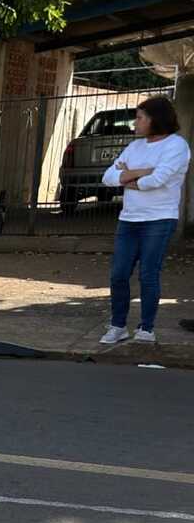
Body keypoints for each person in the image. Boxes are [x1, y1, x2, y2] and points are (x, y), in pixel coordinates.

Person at [99, 95, 190, 345]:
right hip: (128, 220)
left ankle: (146, 328)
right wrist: (142, 172)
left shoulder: (176, 146)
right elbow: (108, 177)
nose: (134, 123)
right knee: (118, 275)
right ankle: (118, 326)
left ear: (155, 119)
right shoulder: (135, 147)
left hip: (159, 219)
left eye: (139, 118)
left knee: (148, 275)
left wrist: (127, 178)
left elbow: (158, 180)